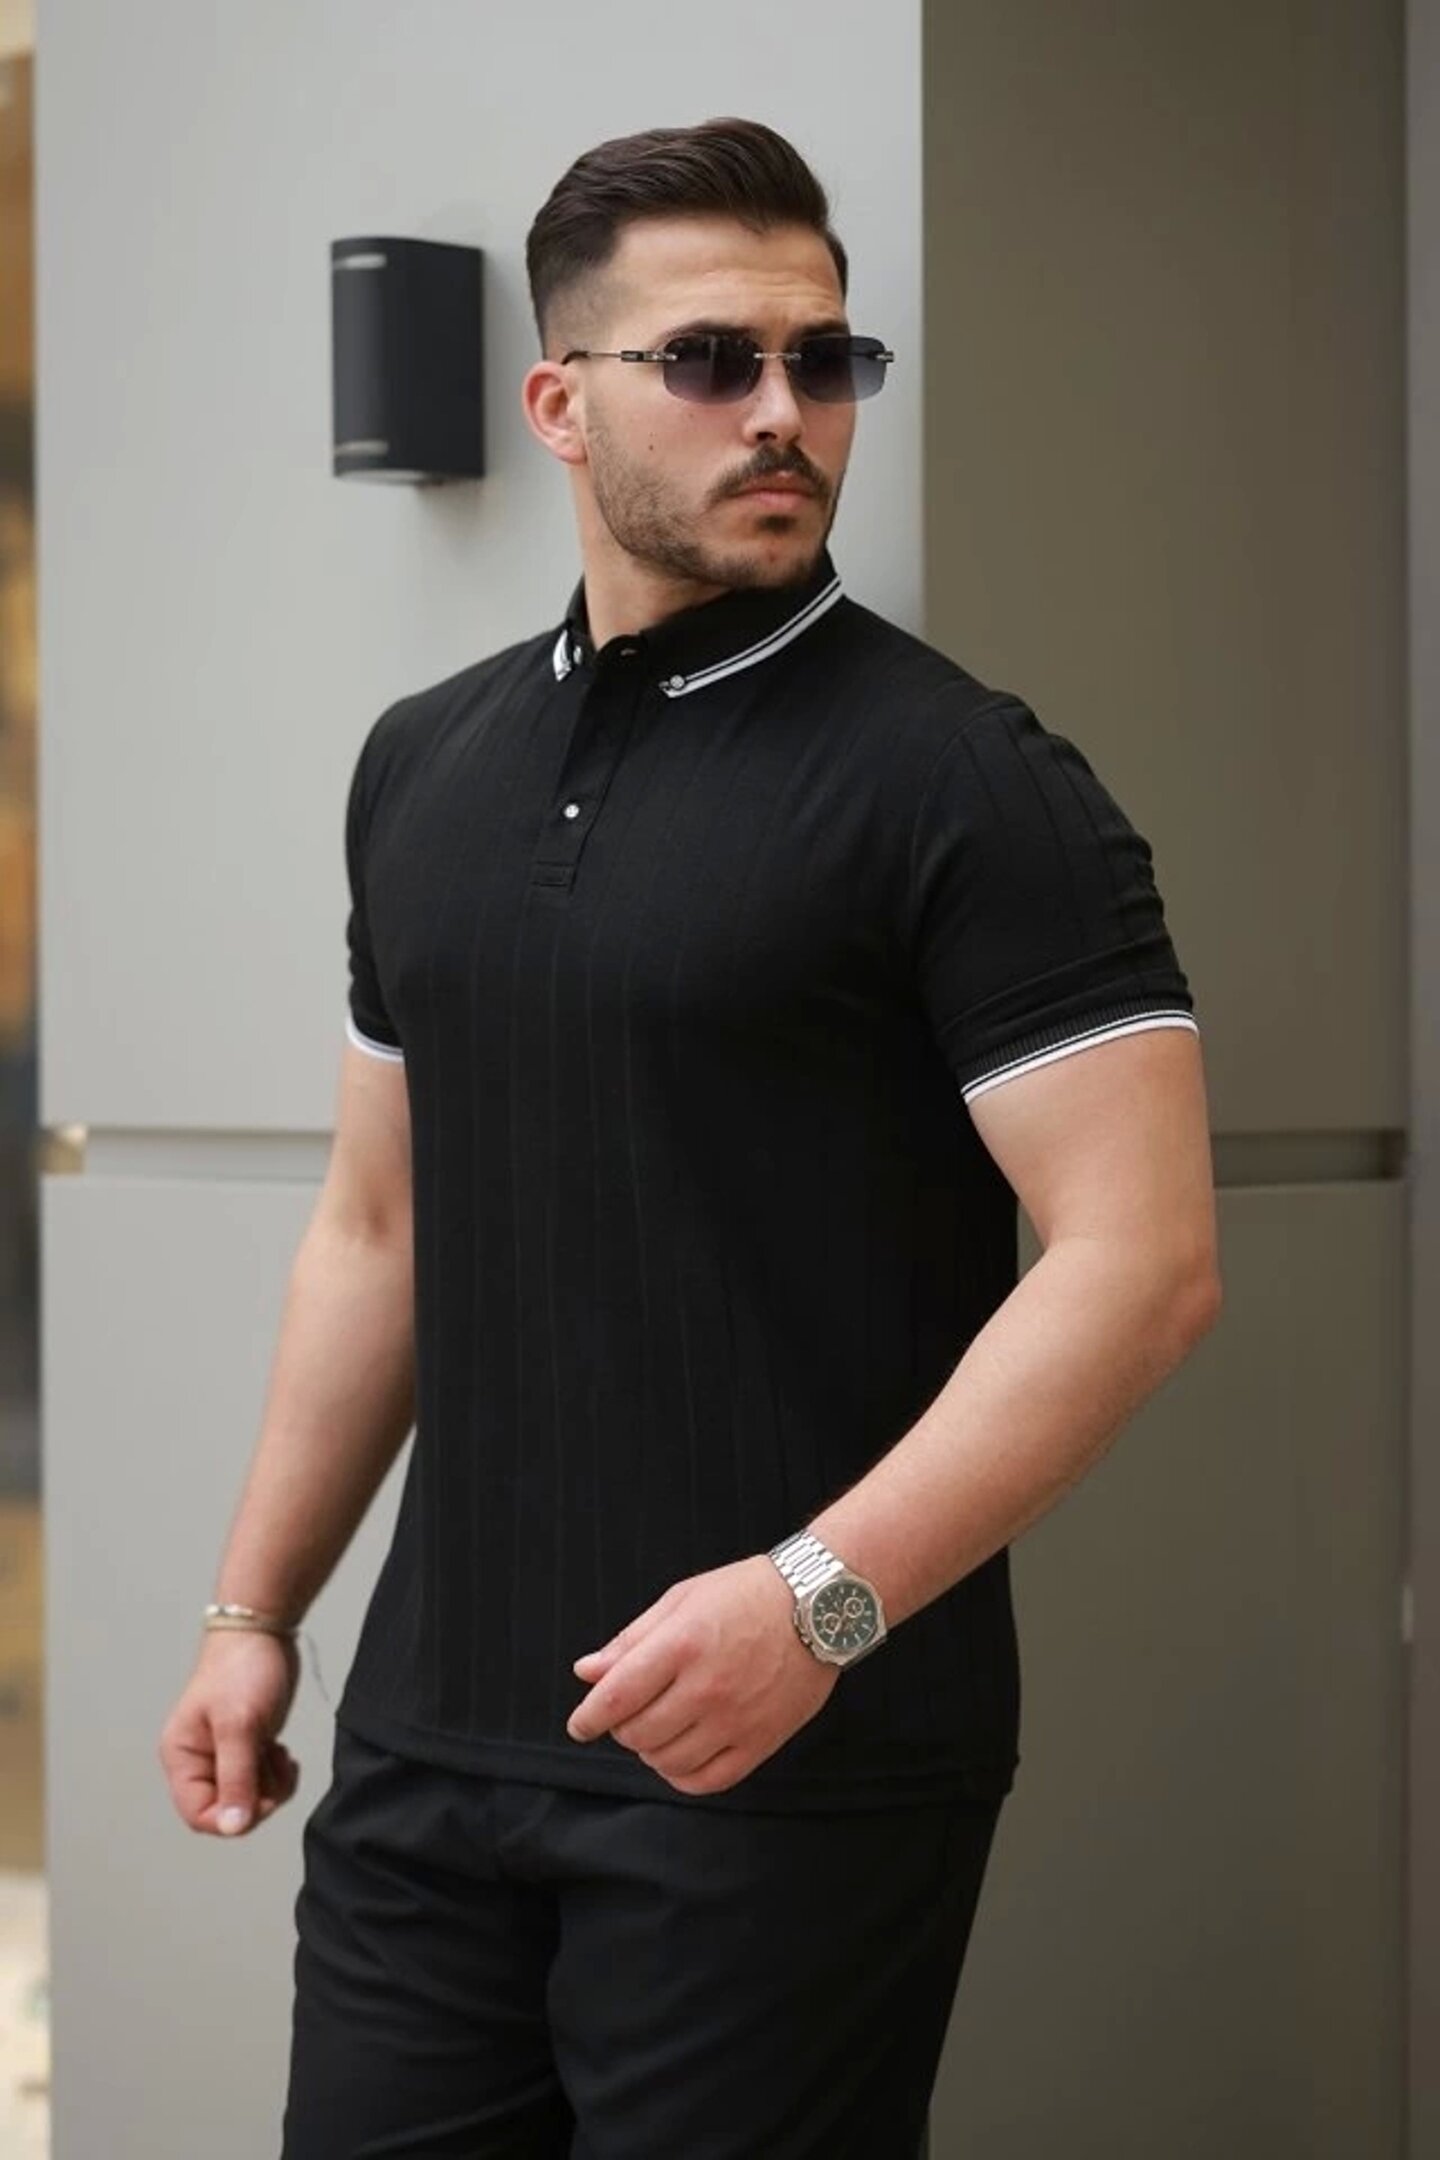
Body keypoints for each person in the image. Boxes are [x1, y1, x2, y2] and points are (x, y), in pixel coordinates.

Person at [158, 115, 1221, 2158]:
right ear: (560, 405)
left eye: (826, 360)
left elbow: (1142, 1260)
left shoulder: (971, 785)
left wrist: (821, 1602)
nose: (784, 411)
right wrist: (253, 1612)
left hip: (790, 1761)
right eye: (713, 361)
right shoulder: (423, 765)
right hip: (430, 1747)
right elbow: (379, 1231)